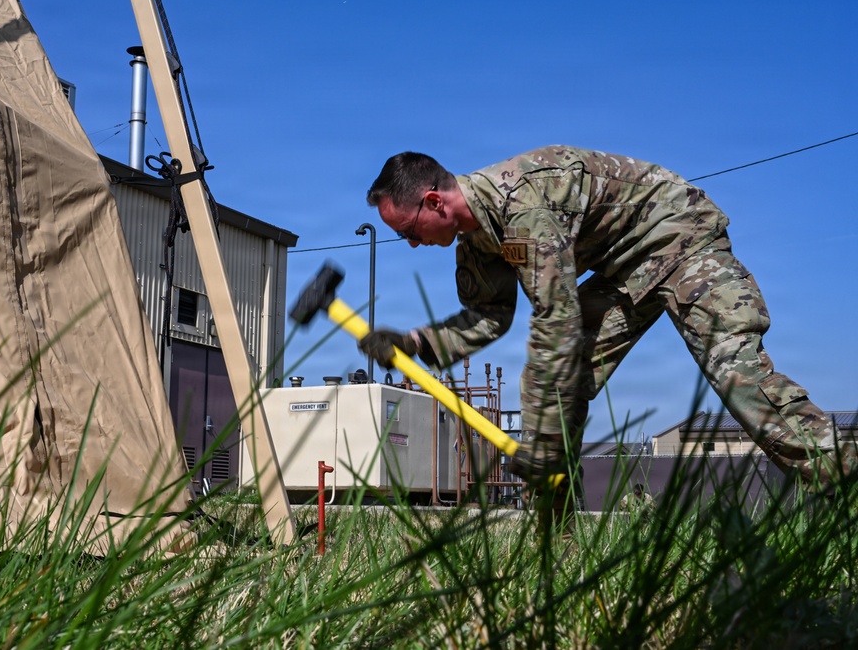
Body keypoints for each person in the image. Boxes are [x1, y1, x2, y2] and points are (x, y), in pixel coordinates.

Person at [358, 145, 855, 502]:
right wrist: (415, 342)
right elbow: (489, 316)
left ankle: (846, 485)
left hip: (680, 238)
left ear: (433, 202)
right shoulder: (478, 244)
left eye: (407, 232)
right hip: (623, 270)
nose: (412, 244)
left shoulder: (521, 204)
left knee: (738, 375)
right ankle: (558, 549)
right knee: (563, 392)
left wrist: (541, 440)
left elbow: (557, 318)